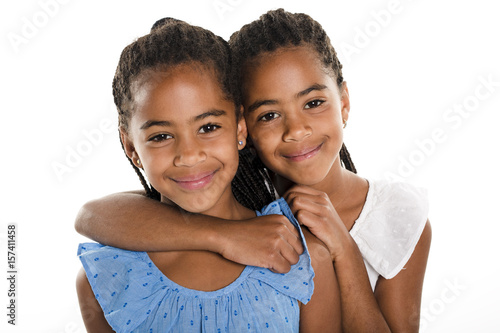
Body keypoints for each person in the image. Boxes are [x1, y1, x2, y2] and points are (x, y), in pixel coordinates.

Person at [76, 9, 431, 332]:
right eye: (269, 115)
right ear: (244, 126)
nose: (296, 131)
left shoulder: (385, 218)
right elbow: (92, 216)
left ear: (345, 102)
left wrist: (344, 249)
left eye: (314, 102)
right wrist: (225, 236)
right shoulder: (247, 200)